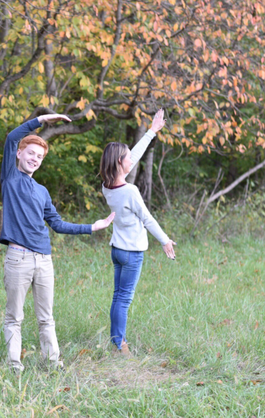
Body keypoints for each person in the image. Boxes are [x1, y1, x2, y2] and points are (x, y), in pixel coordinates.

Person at [0, 113, 115, 372]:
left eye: (39, 157)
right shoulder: (10, 177)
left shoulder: (42, 191)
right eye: (30, 154)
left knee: (46, 318)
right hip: (18, 258)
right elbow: (10, 137)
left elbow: (58, 224)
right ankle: (14, 366)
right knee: (14, 317)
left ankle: (52, 363)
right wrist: (40, 119)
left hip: (44, 260)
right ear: (19, 154)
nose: (34, 159)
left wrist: (92, 227)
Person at [100, 108, 176, 356]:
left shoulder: (107, 186)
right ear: (119, 163)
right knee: (123, 299)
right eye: (125, 157)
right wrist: (165, 241)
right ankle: (120, 345)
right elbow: (148, 219)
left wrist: (152, 131)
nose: (129, 159)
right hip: (132, 253)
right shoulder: (130, 191)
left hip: (117, 249)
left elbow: (133, 155)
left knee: (117, 297)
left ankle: (116, 340)